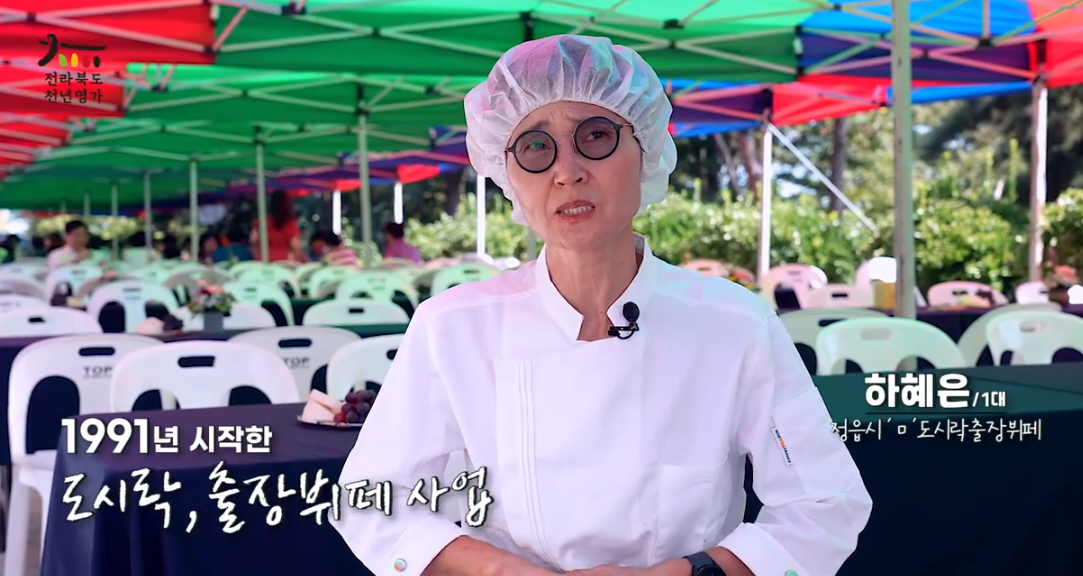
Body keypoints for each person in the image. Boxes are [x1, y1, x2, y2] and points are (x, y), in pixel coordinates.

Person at [333, 35, 871, 576]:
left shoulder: (734, 324)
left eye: (595, 135)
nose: (567, 171)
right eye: (536, 147)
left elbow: (825, 503)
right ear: (507, 173)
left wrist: (679, 574)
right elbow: (368, 499)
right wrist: (507, 572)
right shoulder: (452, 328)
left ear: (647, 151)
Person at [251, 190, 302, 262]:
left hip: (264, 259)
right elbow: (294, 245)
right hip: (282, 261)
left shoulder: (262, 221)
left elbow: (253, 239)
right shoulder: (289, 224)